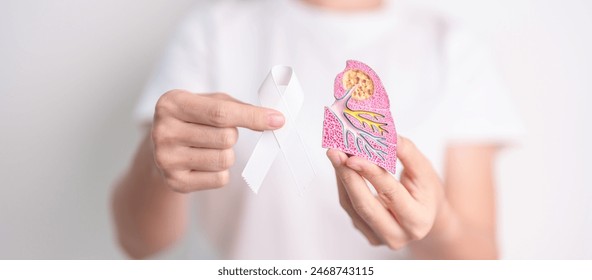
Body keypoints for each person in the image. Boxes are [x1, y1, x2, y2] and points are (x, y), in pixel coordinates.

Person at [112, 0, 521, 259]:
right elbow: (139, 242)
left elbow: (479, 260)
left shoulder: (450, 48)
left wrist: (439, 222)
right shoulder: (213, 32)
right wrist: (155, 165)